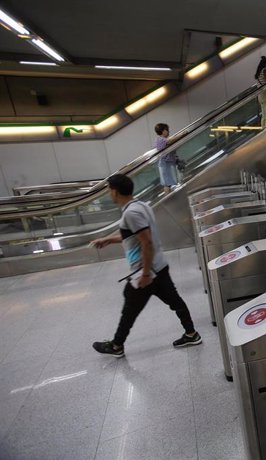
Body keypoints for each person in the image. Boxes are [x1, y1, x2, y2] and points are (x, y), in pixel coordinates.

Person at [91, 174, 202, 357]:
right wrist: (108, 240)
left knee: (130, 309)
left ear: (115, 191)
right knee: (175, 302)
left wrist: (144, 274)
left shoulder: (131, 213)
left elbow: (146, 242)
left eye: (109, 189)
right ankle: (191, 333)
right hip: (159, 266)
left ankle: (117, 346)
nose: (109, 193)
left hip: (146, 271)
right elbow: (136, 235)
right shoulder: (140, 206)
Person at [154, 123, 180, 194]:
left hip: (168, 163)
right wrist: (181, 134)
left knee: (169, 183)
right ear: (162, 131)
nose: (168, 131)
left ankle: (171, 196)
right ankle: (169, 198)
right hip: (165, 163)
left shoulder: (163, 139)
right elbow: (169, 141)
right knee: (167, 184)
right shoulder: (160, 139)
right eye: (167, 130)